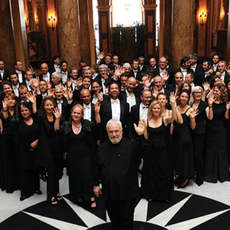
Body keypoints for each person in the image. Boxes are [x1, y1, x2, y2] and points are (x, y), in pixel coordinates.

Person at [93, 119, 148, 230]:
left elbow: (145, 151)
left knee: (126, 221)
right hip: (109, 192)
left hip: (127, 192)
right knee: (114, 220)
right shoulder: (101, 148)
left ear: (122, 131)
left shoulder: (131, 146)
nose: (114, 134)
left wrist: (141, 135)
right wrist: (95, 184)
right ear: (107, 133)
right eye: (111, 132)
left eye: (116, 131)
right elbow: (95, 167)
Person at [141, 94, 180, 202]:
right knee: (151, 173)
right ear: (151, 109)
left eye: (158, 108)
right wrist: (143, 128)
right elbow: (146, 137)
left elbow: (174, 117)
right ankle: (151, 195)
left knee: (163, 172)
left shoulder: (165, 119)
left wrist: (173, 104)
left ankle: (163, 195)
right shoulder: (147, 121)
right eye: (154, 108)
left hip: (162, 150)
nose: (156, 110)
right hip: (151, 151)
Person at [62, 104, 98, 209]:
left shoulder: (86, 124)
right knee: (75, 177)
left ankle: (90, 197)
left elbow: (97, 124)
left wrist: (96, 112)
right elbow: (61, 137)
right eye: (74, 112)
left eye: (78, 113)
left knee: (87, 177)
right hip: (72, 157)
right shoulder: (66, 125)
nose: (76, 115)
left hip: (85, 156)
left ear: (82, 115)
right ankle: (78, 196)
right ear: (71, 113)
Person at [36, 97, 63, 205]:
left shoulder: (57, 115)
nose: (49, 107)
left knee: (56, 171)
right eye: (47, 105)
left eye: (51, 105)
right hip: (46, 147)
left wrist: (57, 119)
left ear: (54, 105)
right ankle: (50, 196)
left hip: (56, 146)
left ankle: (56, 192)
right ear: (43, 106)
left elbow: (56, 129)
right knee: (51, 171)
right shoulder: (41, 117)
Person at [15, 98, 41, 201]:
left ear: (30, 111)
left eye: (26, 110)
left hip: (35, 150)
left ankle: (36, 188)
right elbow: (16, 138)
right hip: (23, 151)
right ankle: (25, 192)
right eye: (22, 111)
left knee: (35, 170)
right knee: (24, 172)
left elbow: (41, 134)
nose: (24, 112)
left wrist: (37, 141)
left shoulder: (36, 121)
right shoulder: (18, 123)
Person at [204, 83, 230, 183]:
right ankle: (211, 174)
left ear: (221, 92)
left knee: (221, 151)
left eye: (217, 91)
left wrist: (227, 110)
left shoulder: (225, 103)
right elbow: (210, 118)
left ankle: (222, 174)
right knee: (211, 151)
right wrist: (210, 106)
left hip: (221, 130)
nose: (214, 92)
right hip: (210, 130)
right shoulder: (209, 102)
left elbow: (226, 118)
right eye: (214, 90)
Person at [173, 89, 198, 188]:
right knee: (178, 157)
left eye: (186, 97)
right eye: (182, 96)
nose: (183, 98)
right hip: (175, 137)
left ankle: (185, 178)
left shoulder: (190, 109)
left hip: (185, 137)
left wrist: (192, 118)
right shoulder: (176, 107)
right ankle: (179, 176)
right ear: (179, 97)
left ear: (188, 98)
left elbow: (193, 127)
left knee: (185, 158)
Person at [190, 86, 213, 185]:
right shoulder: (190, 104)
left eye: (200, 92)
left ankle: (200, 177)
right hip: (189, 132)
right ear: (193, 94)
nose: (198, 94)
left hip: (199, 133)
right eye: (196, 92)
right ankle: (191, 173)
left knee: (198, 155)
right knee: (192, 154)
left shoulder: (204, 104)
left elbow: (210, 117)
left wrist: (211, 106)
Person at [1, 93, 19, 193]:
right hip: (6, 140)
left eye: (13, 99)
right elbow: (6, 120)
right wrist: (4, 109)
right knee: (8, 162)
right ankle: (9, 185)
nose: (11, 101)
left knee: (16, 161)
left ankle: (18, 183)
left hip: (17, 140)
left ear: (16, 101)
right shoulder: (3, 112)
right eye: (8, 99)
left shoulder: (19, 112)